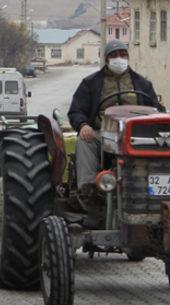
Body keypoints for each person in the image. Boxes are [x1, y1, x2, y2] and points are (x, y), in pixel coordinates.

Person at [67, 40, 162, 227]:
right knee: (85, 141)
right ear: (107, 59)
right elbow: (76, 111)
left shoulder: (142, 83)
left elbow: (157, 109)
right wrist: (83, 125)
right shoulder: (90, 83)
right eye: (114, 55)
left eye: (123, 55)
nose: (119, 59)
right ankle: (88, 192)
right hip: (104, 134)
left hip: (137, 136)